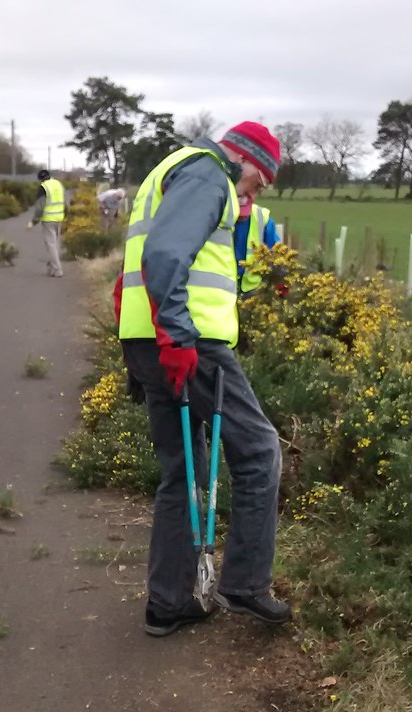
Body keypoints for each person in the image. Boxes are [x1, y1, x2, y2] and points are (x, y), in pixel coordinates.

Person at [114, 121, 291, 637]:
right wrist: (176, 338)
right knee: (259, 452)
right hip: (191, 343)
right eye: (258, 183)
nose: (251, 195)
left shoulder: (165, 172)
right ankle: (244, 584)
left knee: (182, 471)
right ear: (245, 158)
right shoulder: (209, 174)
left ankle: (168, 603)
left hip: (149, 338)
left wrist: (141, 348)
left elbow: (133, 264)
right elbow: (165, 255)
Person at [234, 195, 281, 296]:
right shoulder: (221, 216)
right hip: (226, 284)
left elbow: (276, 254)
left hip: (254, 287)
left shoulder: (262, 218)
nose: (242, 216)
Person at [28, 169, 66, 277]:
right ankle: (51, 269)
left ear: (40, 179)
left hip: (49, 219)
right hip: (59, 217)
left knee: (51, 245)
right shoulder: (58, 184)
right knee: (55, 244)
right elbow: (65, 202)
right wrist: (64, 214)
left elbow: (40, 207)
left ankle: (58, 269)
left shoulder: (43, 187)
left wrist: (33, 221)